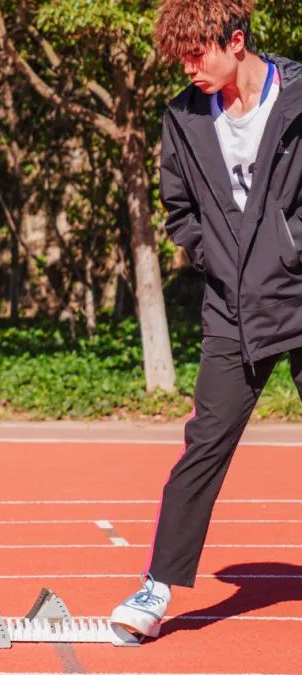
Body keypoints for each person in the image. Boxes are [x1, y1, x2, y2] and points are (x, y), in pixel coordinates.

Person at [110, 0, 302, 639]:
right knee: (203, 448)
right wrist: (213, 256)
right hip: (233, 310)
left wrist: (289, 245)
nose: (189, 67)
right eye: (181, 57)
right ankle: (156, 588)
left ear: (237, 41)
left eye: (198, 54)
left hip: (301, 299)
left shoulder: (299, 99)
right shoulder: (183, 116)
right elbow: (178, 209)